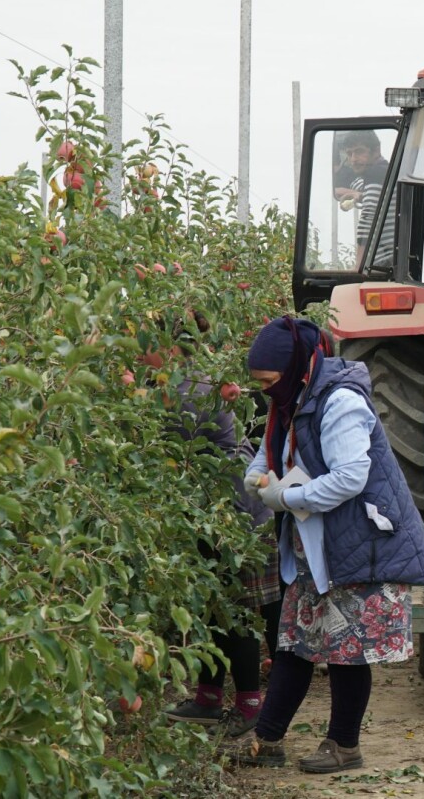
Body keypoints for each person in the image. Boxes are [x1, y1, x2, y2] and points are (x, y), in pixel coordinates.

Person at [229, 316, 424, 771]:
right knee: (294, 644)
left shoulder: (340, 401)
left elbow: (350, 477)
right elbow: (270, 451)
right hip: (313, 545)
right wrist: (255, 477)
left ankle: (344, 746)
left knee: (347, 650)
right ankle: (265, 741)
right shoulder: (288, 400)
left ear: (293, 369)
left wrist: (285, 496)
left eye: (269, 381)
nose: (265, 390)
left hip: (357, 543)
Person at [160, 312, 281, 739]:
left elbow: (159, 440)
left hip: (233, 511)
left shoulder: (184, 388)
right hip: (214, 507)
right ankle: (209, 698)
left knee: (234, 609)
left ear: (169, 346)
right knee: (214, 606)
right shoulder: (198, 375)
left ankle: (250, 706)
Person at [334, 130, 394, 267]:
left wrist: (359, 268)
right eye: (349, 154)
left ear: (376, 151)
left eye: (359, 151)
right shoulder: (383, 172)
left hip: (381, 262)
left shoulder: (377, 173)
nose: (353, 159)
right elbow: (356, 186)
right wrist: (356, 194)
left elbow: (369, 220)